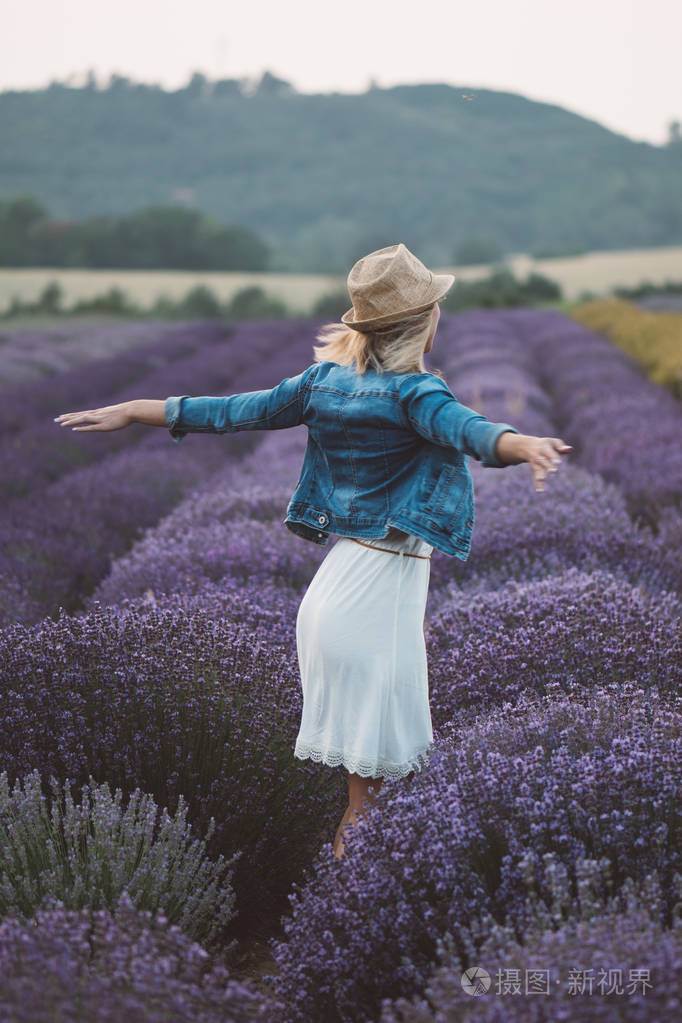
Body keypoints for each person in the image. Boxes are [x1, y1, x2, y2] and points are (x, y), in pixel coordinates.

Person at [54, 243, 572, 860]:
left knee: (373, 797)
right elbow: (469, 430)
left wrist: (138, 409)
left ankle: (364, 905)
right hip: (372, 599)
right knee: (370, 802)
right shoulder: (416, 394)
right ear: (424, 325)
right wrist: (522, 443)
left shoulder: (321, 384)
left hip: (339, 593)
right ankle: (360, 913)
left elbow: (235, 412)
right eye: (437, 309)